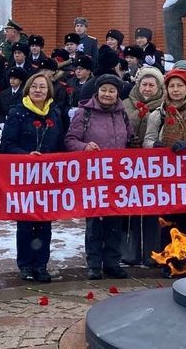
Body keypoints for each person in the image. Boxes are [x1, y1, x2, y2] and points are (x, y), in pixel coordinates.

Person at [143, 68, 186, 275]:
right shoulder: (157, 114)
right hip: (165, 176)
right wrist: (153, 145)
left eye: (179, 85)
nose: (175, 90)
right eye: (171, 86)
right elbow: (147, 139)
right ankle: (170, 263)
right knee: (167, 222)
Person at [64, 74, 133, 280]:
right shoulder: (84, 113)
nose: (107, 94)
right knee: (95, 222)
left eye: (112, 91)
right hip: (93, 178)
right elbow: (70, 140)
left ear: (117, 94)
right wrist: (85, 147)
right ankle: (94, 263)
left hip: (117, 178)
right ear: (97, 91)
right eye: (104, 90)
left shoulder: (122, 114)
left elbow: (129, 139)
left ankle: (112, 262)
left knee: (115, 221)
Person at [0, 72, 65, 282]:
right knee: (26, 223)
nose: (38, 90)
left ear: (49, 91)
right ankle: (26, 265)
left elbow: (61, 143)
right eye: (35, 86)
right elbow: (7, 144)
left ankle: (41, 264)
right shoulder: (17, 112)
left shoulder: (54, 113)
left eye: (43, 87)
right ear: (28, 89)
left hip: (48, 178)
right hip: (25, 176)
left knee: (45, 223)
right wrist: (26, 156)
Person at [121, 66, 165, 266]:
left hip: (156, 167)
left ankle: (152, 254)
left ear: (158, 87)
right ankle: (129, 253)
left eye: (152, 85)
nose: (147, 89)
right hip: (128, 166)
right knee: (129, 211)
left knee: (152, 211)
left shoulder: (165, 106)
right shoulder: (124, 105)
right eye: (144, 84)